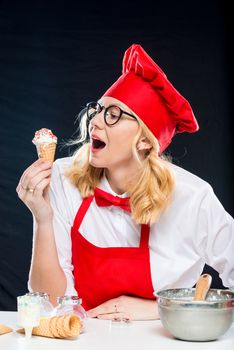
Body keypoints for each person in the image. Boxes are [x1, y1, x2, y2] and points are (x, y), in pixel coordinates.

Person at [16, 44, 234, 321]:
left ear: (144, 140)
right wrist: (42, 218)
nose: (95, 122)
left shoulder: (192, 197)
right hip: (83, 339)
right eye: (97, 110)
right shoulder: (63, 177)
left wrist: (160, 309)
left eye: (113, 115)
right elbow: (50, 303)